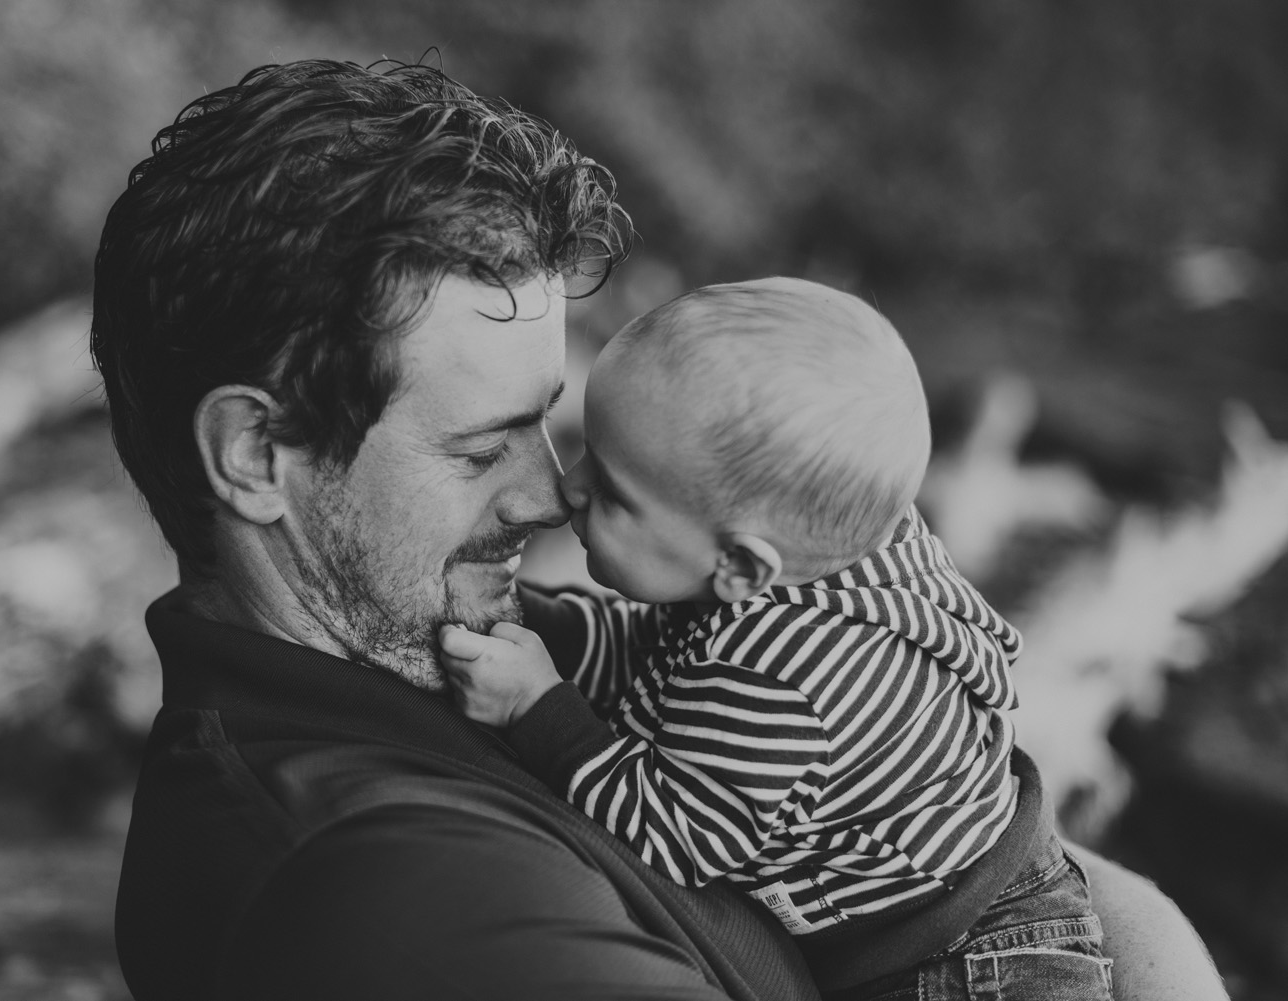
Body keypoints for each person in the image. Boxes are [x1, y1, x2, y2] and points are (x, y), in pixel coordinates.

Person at [91, 57, 1227, 1000]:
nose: (550, 496)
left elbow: (983, 846)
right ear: (256, 455)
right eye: (483, 449)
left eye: (551, 425)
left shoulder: (443, 630)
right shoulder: (395, 887)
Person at [438, 277, 1108, 999]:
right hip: (983, 897)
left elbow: (673, 835)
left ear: (740, 566)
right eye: (589, 451)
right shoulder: (801, 553)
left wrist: (537, 710)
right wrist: (540, 623)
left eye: (614, 489)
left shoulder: (782, 681)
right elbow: (660, 663)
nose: (567, 486)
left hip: (970, 962)